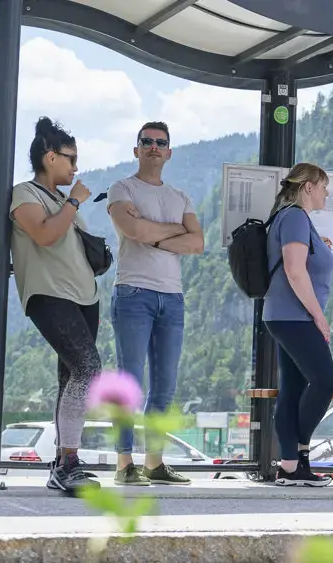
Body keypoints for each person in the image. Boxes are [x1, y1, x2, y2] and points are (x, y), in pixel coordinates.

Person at [8, 117, 104, 495]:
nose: (75, 167)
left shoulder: (62, 201)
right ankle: (69, 461)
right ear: (50, 157)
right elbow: (45, 235)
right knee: (89, 368)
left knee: (72, 378)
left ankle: (61, 467)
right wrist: (76, 200)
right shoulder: (24, 194)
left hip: (85, 297)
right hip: (48, 296)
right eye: (70, 158)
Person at [105, 122, 202, 487]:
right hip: (133, 293)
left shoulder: (180, 196)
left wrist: (153, 233)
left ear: (169, 152)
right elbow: (135, 232)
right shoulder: (122, 188)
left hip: (172, 298)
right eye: (146, 141)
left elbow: (198, 243)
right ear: (136, 149)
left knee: (165, 385)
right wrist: (173, 231)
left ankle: (155, 463)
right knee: (130, 380)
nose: (154, 147)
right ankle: (123, 463)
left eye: (161, 143)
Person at [263, 162, 333, 487]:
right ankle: (300, 452)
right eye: (323, 186)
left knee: (293, 389)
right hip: (295, 317)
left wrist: (318, 246)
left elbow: (299, 261)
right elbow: (295, 271)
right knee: (324, 381)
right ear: (308, 186)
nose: (326, 192)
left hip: (286, 316)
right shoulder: (294, 216)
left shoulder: (293, 218)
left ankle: (291, 466)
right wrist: (319, 317)